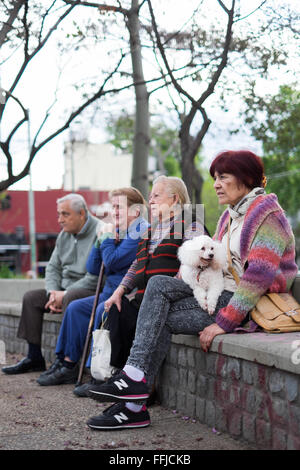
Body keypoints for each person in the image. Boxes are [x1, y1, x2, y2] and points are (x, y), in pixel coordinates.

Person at [85, 150, 298, 431]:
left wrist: (224, 322)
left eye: (223, 177)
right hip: (219, 293)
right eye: (214, 178)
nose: (216, 184)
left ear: (245, 178)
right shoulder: (230, 216)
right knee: (159, 288)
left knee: (156, 313)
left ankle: (134, 401)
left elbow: (258, 277)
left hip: (248, 305)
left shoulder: (267, 215)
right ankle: (134, 386)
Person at [36, 187, 148, 388]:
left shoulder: (140, 231)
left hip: (126, 295)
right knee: (75, 308)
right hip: (108, 292)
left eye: (118, 207)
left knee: (100, 311)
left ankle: (97, 374)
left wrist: (105, 240)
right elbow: (93, 268)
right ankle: (67, 363)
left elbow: (113, 261)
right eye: (112, 207)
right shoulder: (119, 230)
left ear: (135, 211)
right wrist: (100, 240)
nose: (113, 212)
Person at [2, 194, 99, 375]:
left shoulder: (100, 232)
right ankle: (34, 357)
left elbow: (96, 276)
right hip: (62, 290)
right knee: (31, 298)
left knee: (71, 297)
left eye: (65, 214)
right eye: (58, 214)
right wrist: (53, 292)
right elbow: (53, 267)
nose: (60, 220)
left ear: (82, 214)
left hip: (88, 290)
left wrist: (64, 293)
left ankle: (66, 361)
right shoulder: (64, 235)